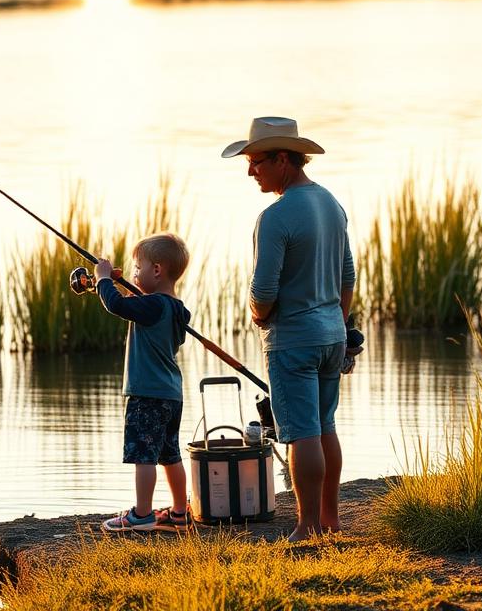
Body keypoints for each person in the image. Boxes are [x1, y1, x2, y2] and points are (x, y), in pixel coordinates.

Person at [222, 116, 357, 542]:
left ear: (283, 159)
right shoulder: (331, 202)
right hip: (332, 336)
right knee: (325, 425)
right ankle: (331, 519)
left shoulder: (276, 216)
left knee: (301, 433)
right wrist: (338, 320)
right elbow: (347, 275)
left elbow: (263, 290)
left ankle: (307, 526)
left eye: (256, 162)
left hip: (293, 342)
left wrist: (259, 315)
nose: (250, 171)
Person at [94, 232, 193, 532]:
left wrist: (102, 280)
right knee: (170, 454)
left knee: (144, 456)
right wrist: (130, 287)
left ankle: (142, 514)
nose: (135, 274)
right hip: (171, 395)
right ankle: (179, 513)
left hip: (146, 394)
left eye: (139, 268)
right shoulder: (177, 309)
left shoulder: (152, 307)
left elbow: (116, 306)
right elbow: (143, 309)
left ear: (157, 270)